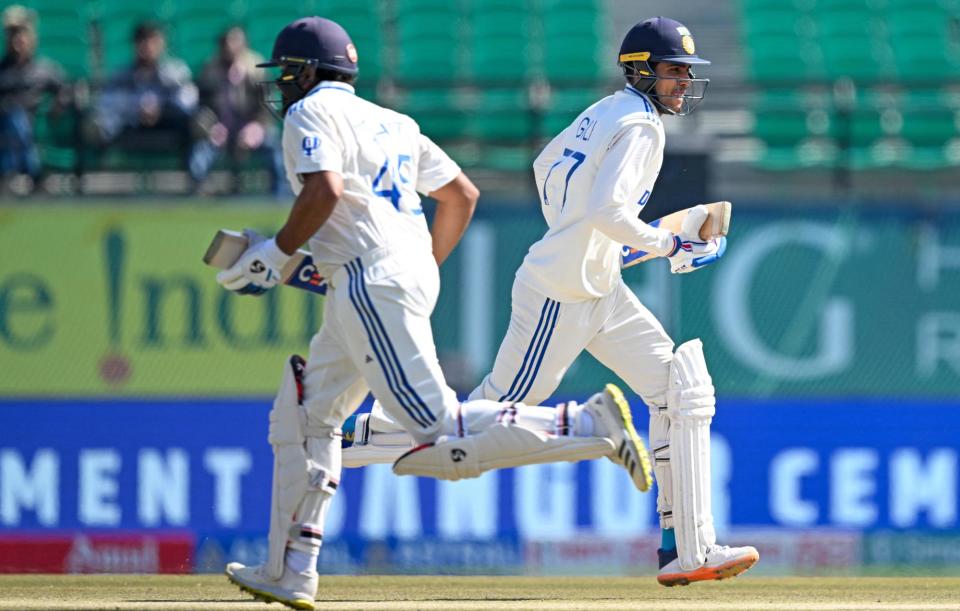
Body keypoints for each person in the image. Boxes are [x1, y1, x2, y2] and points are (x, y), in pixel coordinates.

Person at [216, 17, 654, 610]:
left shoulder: (308, 113)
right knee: (302, 415)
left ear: (307, 72)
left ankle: (584, 424)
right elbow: (460, 196)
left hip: (370, 280)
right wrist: (415, 266)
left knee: (438, 434)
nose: (283, 87)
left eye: (288, 74)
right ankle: (291, 570)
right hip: (385, 275)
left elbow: (322, 192)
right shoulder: (394, 121)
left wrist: (274, 254)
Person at [341, 16, 759, 587]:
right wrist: (669, 243)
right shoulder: (641, 127)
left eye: (688, 71)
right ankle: (347, 440)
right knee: (484, 421)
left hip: (598, 289)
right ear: (641, 71)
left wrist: (589, 244)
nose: (684, 81)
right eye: (673, 71)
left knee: (682, 390)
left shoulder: (604, 112)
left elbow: (548, 170)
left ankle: (687, 548)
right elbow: (609, 213)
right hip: (559, 294)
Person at [189, 26, 286, 196]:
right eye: (227, 43)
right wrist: (211, 127)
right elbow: (201, 105)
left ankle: (279, 195)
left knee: (273, 147)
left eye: (235, 42)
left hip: (252, 128)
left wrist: (257, 127)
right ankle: (199, 195)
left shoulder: (256, 68)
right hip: (220, 129)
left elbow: (269, 105)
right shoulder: (209, 69)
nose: (230, 47)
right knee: (200, 153)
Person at [88, 22, 196, 150]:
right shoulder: (122, 74)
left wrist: (160, 109)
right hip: (130, 125)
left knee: (191, 118)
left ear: (162, 44)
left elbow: (187, 100)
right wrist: (137, 108)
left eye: (153, 42)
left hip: (168, 123)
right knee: (107, 119)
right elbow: (105, 102)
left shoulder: (175, 71)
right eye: (142, 41)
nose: (148, 47)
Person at [0, 5, 68, 190]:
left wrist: (58, 105)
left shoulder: (43, 70)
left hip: (33, 125)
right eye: (12, 34)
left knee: (18, 119)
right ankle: (32, 173)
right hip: (3, 128)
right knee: (13, 117)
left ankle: (14, 174)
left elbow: (65, 89)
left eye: (22, 33)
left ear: (31, 37)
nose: (17, 39)